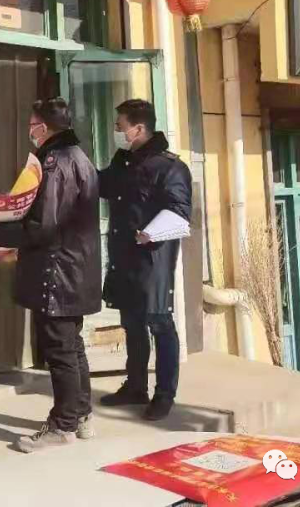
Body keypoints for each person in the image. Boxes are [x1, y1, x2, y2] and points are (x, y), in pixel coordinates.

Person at [0, 97, 101, 453]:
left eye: (32, 124)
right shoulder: (80, 158)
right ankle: (81, 415)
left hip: (58, 272)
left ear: (44, 127)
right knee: (72, 347)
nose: (30, 131)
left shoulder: (55, 163)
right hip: (75, 269)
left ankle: (62, 425)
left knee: (61, 351)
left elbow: (43, 224)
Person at [98, 99, 192, 421]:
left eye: (120, 125)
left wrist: (153, 232)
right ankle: (136, 386)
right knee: (132, 324)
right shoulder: (124, 162)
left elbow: (180, 211)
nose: (116, 130)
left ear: (138, 128)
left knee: (160, 324)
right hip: (123, 257)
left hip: (153, 259)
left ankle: (164, 395)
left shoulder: (170, 167)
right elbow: (101, 185)